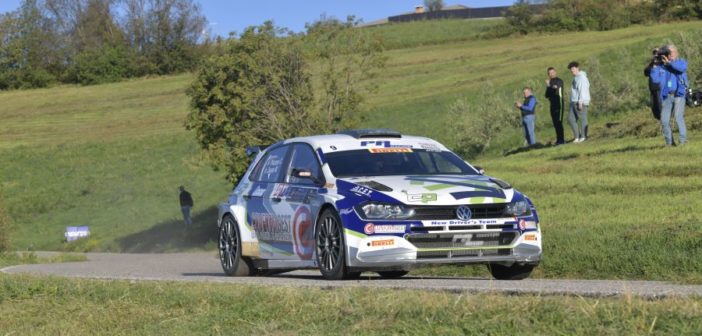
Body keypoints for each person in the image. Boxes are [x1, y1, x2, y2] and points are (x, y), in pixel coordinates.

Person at [651, 44, 688, 146]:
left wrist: (669, 63)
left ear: (676, 53)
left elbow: (681, 69)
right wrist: (654, 66)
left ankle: (683, 141)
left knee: (678, 117)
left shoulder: (681, 62)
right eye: (668, 53)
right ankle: (669, 143)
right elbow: (655, 80)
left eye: (671, 52)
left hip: (679, 95)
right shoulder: (661, 66)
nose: (669, 55)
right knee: (664, 120)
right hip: (667, 95)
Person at [567, 62, 590, 143]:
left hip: (580, 101)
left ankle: (584, 136)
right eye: (571, 69)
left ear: (578, 68)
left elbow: (582, 90)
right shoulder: (576, 77)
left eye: (573, 68)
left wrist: (580, 102)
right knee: (571, 119)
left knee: (582, 118)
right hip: (574, 101)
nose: (572, 70)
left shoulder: (581, 77)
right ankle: (577, 136)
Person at [545, 67, 565, 145]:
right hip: (552, 105)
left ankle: (562, 140)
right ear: (548, 75)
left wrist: (549, 86)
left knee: (559, 122)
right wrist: (548, 86)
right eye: (550, 73)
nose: (551, 74)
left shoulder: (559, 81)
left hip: (559, 104)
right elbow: (546, 95)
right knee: (555, 124)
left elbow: (555, 90)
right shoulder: (550, 82)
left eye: (553, 72)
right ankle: (558, 140)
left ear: (555, 72)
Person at [644, 48, 664, 120]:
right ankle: (658, 118)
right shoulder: (651, 65)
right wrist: (652, 63)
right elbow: (646, 73)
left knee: (660, 104)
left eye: (657, 53)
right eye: (654, 53)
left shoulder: (663, 63)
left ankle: (663, 119)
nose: (656, 54)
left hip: (660, 88)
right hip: (653, 88)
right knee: (654, 106)